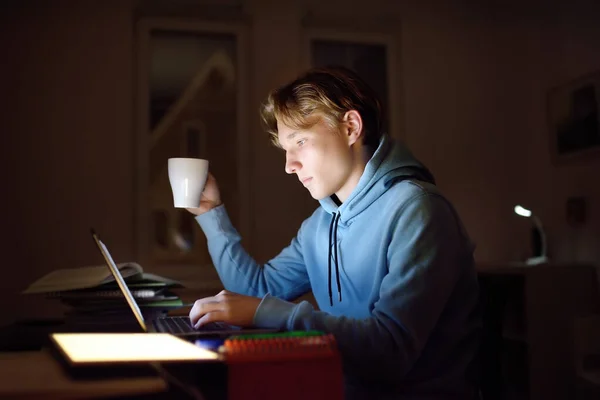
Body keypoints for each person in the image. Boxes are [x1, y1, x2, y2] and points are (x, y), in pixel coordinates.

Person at [186, 66, 481, 399]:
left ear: (351, 127)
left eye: (300, 141)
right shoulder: (319, 226)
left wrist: (265, 311)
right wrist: (211, 213)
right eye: (286, 148)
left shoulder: (418, 209)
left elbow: (389, 350)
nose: (289, 165)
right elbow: (256, 292)